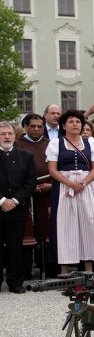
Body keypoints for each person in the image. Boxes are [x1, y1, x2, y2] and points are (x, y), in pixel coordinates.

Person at [47, 111, 94, 275]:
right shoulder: (55, 143)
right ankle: (64, 270)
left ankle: (88, 269)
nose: (75, 124)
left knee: (89, 224)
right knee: (65, 226)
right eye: (71, 121)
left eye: (78, 122)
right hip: (64, 188)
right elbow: (52, 170)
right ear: (64, 125)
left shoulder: (91, 142)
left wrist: (83, 183)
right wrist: (70, 183)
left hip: (86, 186)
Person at [15, 113, 55, 278]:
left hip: (48, 191)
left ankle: (50, 268)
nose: (37, 129)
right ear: (25, 127)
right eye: (33, 126)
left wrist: (52, 185)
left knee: (47, 229)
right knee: (27, 231)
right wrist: (30, 187)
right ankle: (25, 270)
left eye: (40, 126)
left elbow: (58, 168)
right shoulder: (17, 145)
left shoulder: (51, 144)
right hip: (26, 195)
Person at [0, 122, 36, 293]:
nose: (7, 136)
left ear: (15, 136)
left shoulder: (26, 156)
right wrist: (1, 201)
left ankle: (15, 282)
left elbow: (30, 183)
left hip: (17, 209)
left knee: (15, 247)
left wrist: (14, 200)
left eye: (9, 133)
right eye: (2, 134)